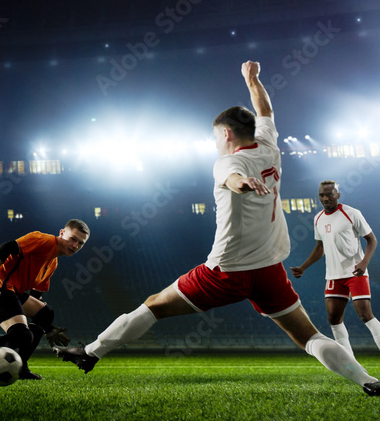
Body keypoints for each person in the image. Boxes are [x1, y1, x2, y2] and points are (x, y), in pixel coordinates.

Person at [55, 61, 380, 396]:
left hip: (226, 271)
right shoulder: (269, 146)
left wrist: (244, 183)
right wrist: (252, 79)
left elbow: (233, 178)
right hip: (269, 271)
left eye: (215, 136)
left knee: (152, 306)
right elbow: (264, 108)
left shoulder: (226, 162)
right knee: (310, 337)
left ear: (225, 134)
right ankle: (368, 381)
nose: (214, 143)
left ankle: (90, 352)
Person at [0, 219, 90, 384]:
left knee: (45, 314)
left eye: (80, 243)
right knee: (21, 335)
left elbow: (36, 296)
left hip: (12, 292)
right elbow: (8, 247)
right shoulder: (44, 240)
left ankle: (21, 367)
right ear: (62, 233)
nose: (75, 245)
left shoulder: (53, 263)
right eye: (73, 239)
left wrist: (46, 328)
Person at [290, 181, 380, 354]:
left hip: (356, 272)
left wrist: (364, 263)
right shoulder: (318, 218)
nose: (325, 198)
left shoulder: (351, 213)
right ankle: (350, 363)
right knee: (334, 318)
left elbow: (372, 240)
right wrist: (303, 267)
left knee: (365, 315)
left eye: (329, 194)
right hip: (333, 276)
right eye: (322, 195)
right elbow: (320, 247)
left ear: (338, 195)